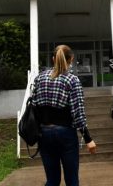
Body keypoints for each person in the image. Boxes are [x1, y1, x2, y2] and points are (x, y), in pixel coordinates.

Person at [32, 45, 96, 186]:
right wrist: (88, 139)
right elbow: (78, 112)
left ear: (53, 58)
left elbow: (34, 107)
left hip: (44, 133)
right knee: (71, 180)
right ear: (71, 59)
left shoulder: (39, 78)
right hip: (65, 134)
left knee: (52, 180)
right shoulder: (72, 80)